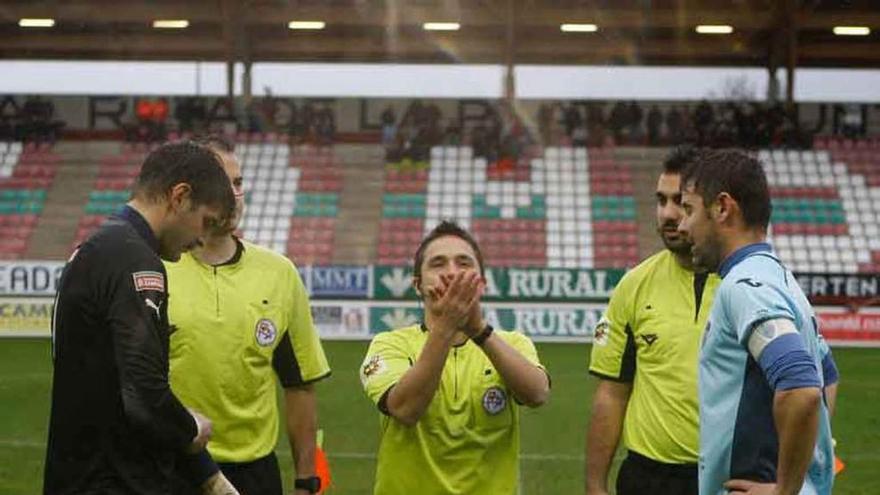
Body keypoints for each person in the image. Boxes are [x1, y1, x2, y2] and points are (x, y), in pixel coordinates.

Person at [44, 141, 238, 494]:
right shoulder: (135, 259)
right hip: (111, 480)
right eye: (204, 222)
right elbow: (143, 393)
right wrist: (190, 428)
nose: (200, 240)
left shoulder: (104, 246)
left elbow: (119, 380)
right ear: (179, 196)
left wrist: (206, 473)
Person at [165, 136, 331, 495]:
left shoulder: (280, 273)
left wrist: (309, 481)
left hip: (255, 474)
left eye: (238, 183)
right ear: (185, 193)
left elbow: (300, 385)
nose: (234, 194)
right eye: (222, 183)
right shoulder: (155, 268)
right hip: (167, 465)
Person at [677, 149, 837, 495]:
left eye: (689, 209)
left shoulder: (746, 286)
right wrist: (811, 472)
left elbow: (800, 385)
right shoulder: (781, 279)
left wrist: (785, 490)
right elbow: (828, 376)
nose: (682, 225)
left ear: (722, 207)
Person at [359, 220, 550, 495]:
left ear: (481, 282)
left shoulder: (512, 343)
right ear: (417, 284)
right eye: (438, 264)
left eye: (463, 263)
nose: (451, 273)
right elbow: (405, 409)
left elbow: (537, 394)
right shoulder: (390, 345)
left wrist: (479, 331)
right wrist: (446, 328)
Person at [585, 147, 720, 495]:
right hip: (648, 478)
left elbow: (806, 387)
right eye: (661, 201)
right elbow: (612, 394)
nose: (668, 214)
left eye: (680, 202)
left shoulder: (752, 284)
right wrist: (595, 485)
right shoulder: (634, 285)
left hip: (729, 476)